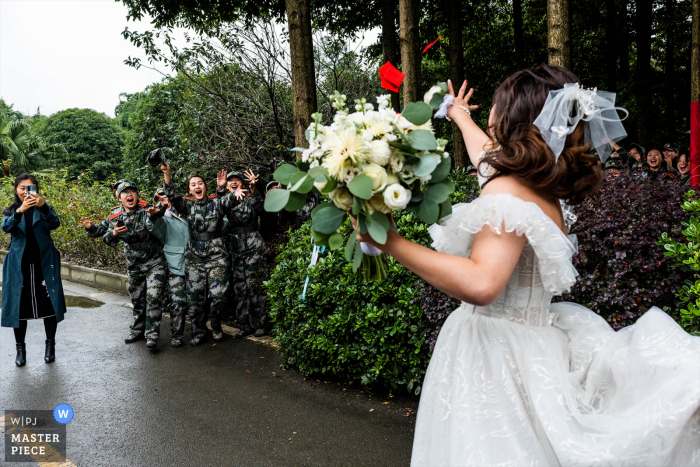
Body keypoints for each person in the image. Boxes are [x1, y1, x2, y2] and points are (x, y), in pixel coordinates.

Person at [354, 66, 700, 466]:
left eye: (501, 98)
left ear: (515, 114)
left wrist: (389, 241)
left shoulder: (506, 191)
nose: (495, 105)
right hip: (535, 347)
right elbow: (484, 155)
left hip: (494, 354)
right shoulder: (540, 189)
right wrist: (459, 115)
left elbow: (483, 283)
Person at [161, 163, 246, 345]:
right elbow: (172, 195)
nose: (197, 186)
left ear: (206, 187)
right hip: (195, 260)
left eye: (200, 183)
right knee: (195, 300)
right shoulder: (187, 205)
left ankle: (215, 324)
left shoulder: (217, 203)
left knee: (218, 296)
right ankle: (198, 331)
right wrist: (167, 174)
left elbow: (229, 200)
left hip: (217, 258)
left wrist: (233, 193)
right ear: (190, 191)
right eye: (193, 184)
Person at [2, 174, 67, 366]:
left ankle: (50, 345)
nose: (26, 191)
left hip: (44, 265)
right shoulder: (11, 211)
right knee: (19, 309)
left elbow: (55, 223)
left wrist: (43, 205)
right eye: (22, 188)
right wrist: (20, 211)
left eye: (30, 188)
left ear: (36, 190)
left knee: (49, 306)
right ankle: (20, 349)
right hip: (19, 267)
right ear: (16, 189)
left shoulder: (43, 209)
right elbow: (5, 227)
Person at [100, 181, 166, 349]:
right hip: (134, 265)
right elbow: (105, 238)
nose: (129, 195)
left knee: (154, 297)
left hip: (155, 262)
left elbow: (159, 212)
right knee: (137, 299)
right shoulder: (115, 216)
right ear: (119, 197)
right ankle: (137, 330)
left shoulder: (146, 209)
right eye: (125, 193)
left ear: (137, 195)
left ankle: (152, 334)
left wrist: (158, 210)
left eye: (132, 192)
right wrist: (114, 233)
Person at [223, 170, 268, 338]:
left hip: (253, 244)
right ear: (227, 186)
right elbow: (217, 209)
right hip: (236, 247)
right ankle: (245, 325)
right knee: (240, 287)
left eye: (237, 180)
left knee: (254, 284)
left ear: (242, 184)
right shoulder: (225, 201)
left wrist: (255, 189)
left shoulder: (250, 198)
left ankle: (261, 324)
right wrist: (221, 191)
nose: (234, 183)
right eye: (230, 181)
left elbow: (261, 209)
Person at [145, 188, 190, 347]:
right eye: (161, 199)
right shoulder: (163, 219)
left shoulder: (186, 214)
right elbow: (153, 225)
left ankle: (197, 330)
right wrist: (154, 214)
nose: (166, 201)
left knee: (190, 302)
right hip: (174, 265)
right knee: (177, 301)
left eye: (167, 197)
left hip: (193, 264)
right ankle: (176, 335)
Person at [80, 179, 147, 238]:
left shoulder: (145, 208)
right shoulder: (116, 213)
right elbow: (102, 228)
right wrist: (90, 227)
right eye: (117, 189)